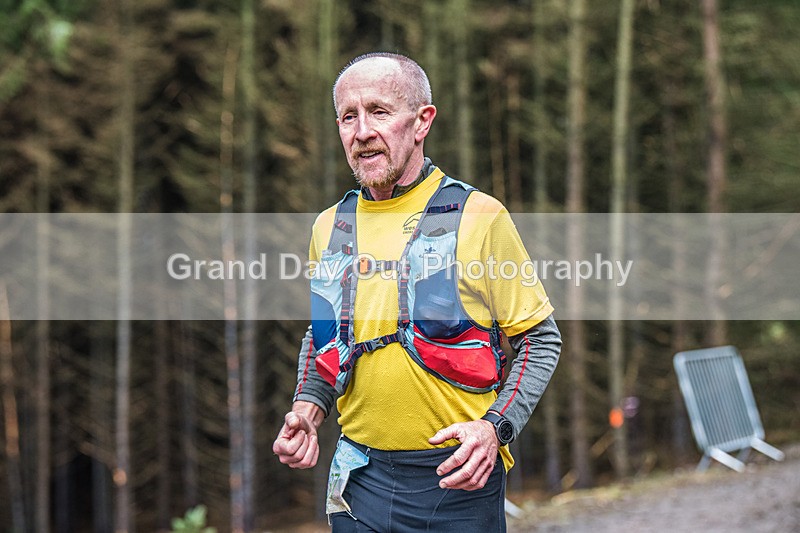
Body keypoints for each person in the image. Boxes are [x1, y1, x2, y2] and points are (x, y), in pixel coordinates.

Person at [273, 52, 561, 532]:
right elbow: (326, 337)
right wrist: (308, 406)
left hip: (456, 479)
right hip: (357, 479)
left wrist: (495, 427)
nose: (362, 131)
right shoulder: (330, 226)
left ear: (422, 120)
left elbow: (540, 339)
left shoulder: (479, 216)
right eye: (348, 116)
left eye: (379, 111)